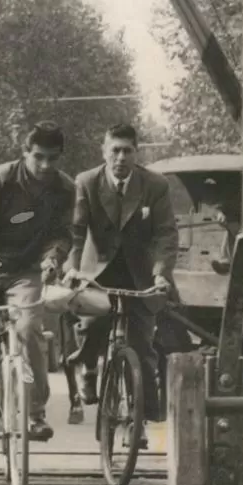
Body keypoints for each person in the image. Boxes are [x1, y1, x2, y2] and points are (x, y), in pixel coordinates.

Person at [0, 121, 75, 442]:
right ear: (24, 153)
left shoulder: (64, 188)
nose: (45, 165)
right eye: (38, 157)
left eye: (53, 158)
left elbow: (63, 234)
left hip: (26, 272)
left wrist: (53, 257)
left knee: (29, 331)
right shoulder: (0, 179)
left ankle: (35, 414)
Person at [64, 123, 179, 439]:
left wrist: (160, 273)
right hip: (97, 272)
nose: (121, 157)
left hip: (141, 275)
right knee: (90, 327)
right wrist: (73, 268)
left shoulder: (155, 185)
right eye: (114, 150)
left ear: (137, 153)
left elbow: (166, 234)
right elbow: (75, 231)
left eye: (127, 150)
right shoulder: (87, 182)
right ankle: (87, 366)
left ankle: (138, 420)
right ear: (104, 151)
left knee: (141, 347)